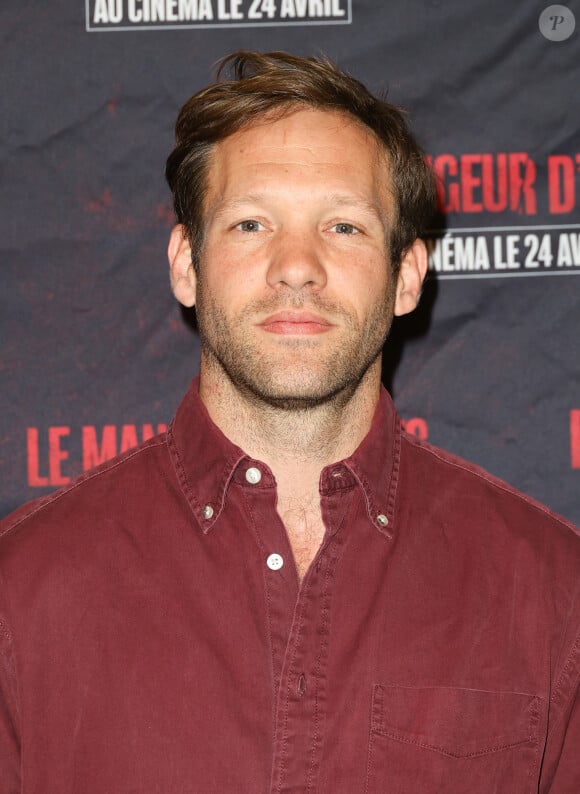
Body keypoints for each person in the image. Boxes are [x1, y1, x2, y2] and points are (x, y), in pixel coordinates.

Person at [0, 50, 578, 794]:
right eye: (250, 224)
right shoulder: (22, 594)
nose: (296, 265)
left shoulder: (553, 595)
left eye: (342, 226)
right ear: (187, 264)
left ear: (406, 275)